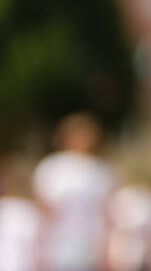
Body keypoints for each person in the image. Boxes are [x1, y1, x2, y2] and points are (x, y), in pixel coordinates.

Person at [34, 113, 116, 271]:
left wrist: (107, 250)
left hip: (90, 248)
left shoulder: (101, 171)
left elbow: (107, 214)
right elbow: (43, 210)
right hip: (58, 248)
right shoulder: (52, 167)